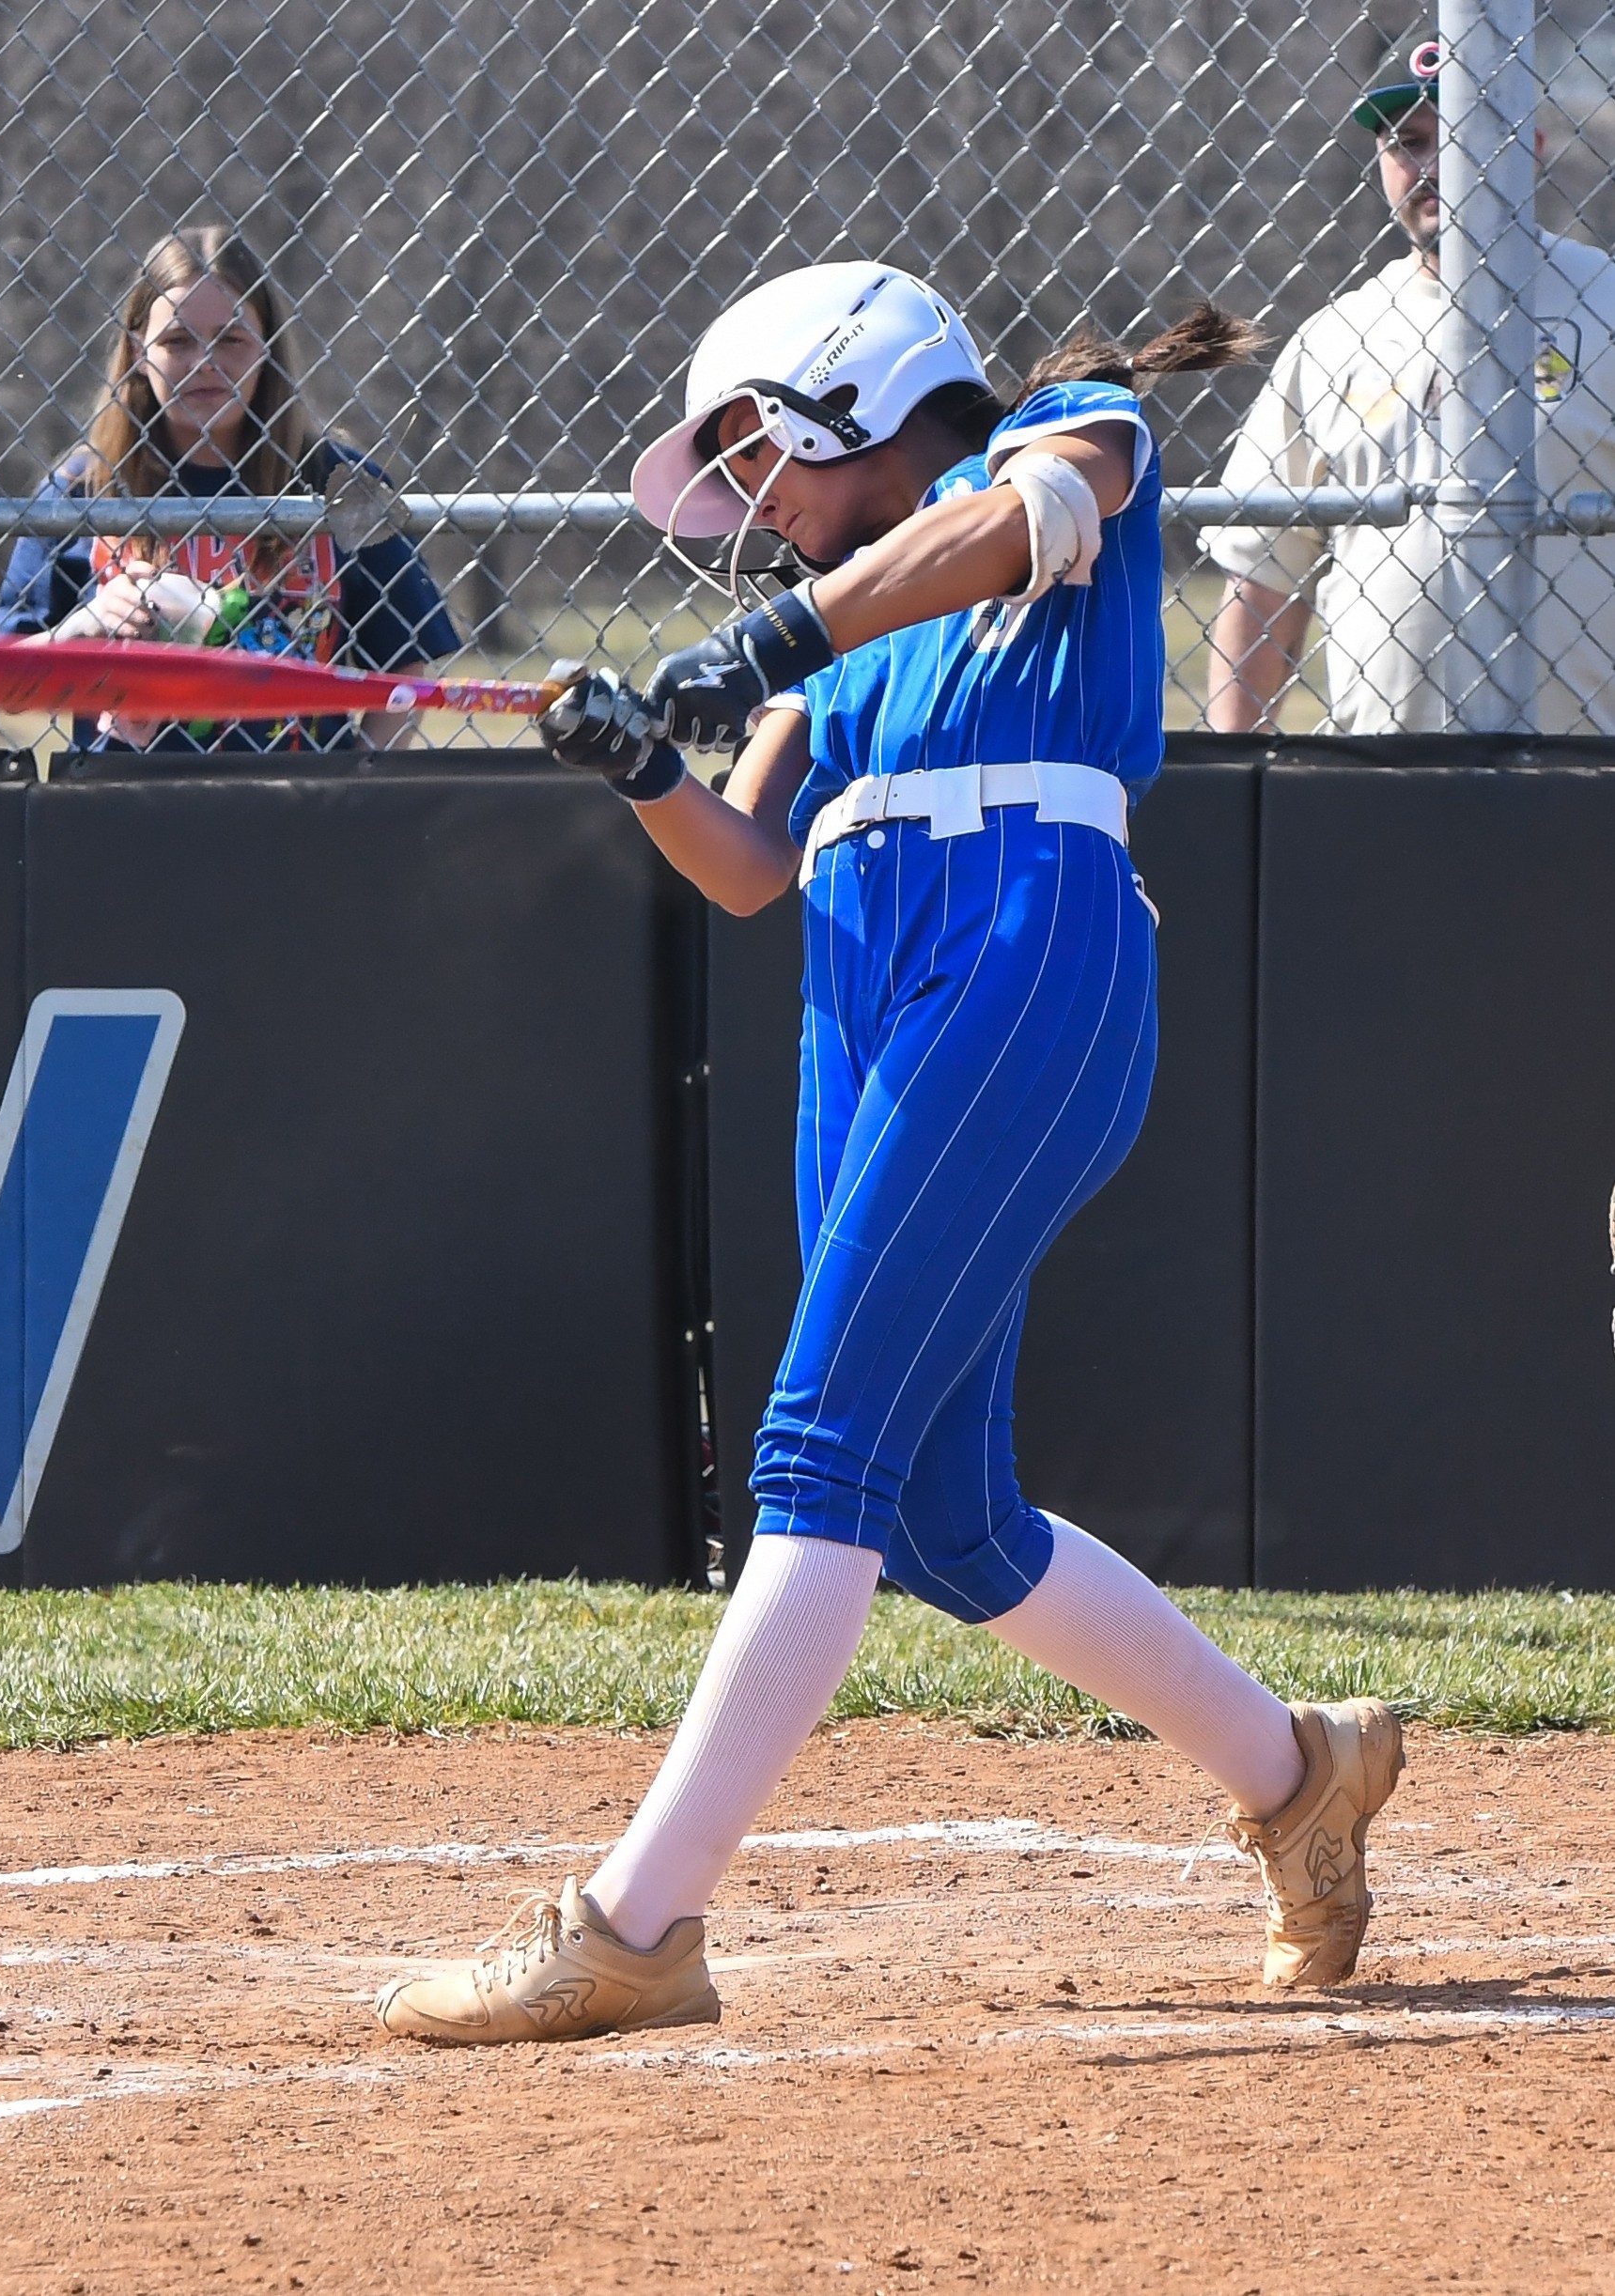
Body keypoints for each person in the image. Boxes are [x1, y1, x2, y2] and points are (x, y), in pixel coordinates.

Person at [372, 261, 1405, 2048]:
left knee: (818, 1445)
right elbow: (747, 866)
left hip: (1023, 935)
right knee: (941, 1514)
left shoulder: (1062, 438)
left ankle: (636, 1926)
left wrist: (784, 635)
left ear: (850, 396)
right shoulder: (839, 629)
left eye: (757, 453)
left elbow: (1006, 529)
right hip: (859, 978)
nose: (747, 508)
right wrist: (637, 767)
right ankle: (1298, 1771)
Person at [1205, 38, 1615, 733]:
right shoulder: (1335, 339)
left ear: (1530, 147)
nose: (1433, 165)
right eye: (1408, 142)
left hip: (1588, 766)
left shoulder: (1602, 304)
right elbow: (1263, 579)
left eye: (1463, 135)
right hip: (1384, 773)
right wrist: (1235, 764)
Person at [0, 226, 457, 755]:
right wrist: (84, 627)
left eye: (231, 339)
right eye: (177, 341)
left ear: (267, 349)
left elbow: (404, 663)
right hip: (123, 796)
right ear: (138, 350)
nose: (204, 363)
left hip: (297, 795)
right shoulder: (81, 488)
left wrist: (357, 782)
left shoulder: (339, 482)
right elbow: (4, 685)